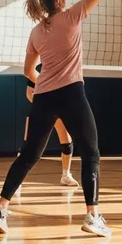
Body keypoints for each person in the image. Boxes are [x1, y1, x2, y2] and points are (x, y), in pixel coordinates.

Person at [0, 0, 122, 236]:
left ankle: (1, 207)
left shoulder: (36, 31)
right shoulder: (72, 17)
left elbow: (27, 70)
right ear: (60, 0)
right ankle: (92, 217)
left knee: (29, 155)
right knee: (91, 152)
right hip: (71, 92)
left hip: (43, 95)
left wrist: (44, 84)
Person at [14, 63, 79, 195]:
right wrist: (44, 105)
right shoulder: (38, 68)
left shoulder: (64, 67)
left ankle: (66, 175)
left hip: (60, 111)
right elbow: (29, 93)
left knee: (67, 143)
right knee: (28, 146)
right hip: (42, 110)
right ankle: (17, 179)